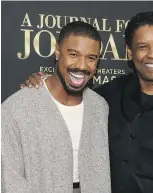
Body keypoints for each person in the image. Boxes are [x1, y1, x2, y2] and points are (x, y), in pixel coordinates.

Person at [20, 12, 153, 193]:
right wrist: (40, 84)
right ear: (129, 52)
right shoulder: (110, 95)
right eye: (142, 46)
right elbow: (70, 96)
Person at [1, 21, 111, 193]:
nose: (82, 66)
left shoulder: (100, 107)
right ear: (57, 52)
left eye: (91, 58)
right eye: (73, 54)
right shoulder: (15, 109)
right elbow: (10, 179)